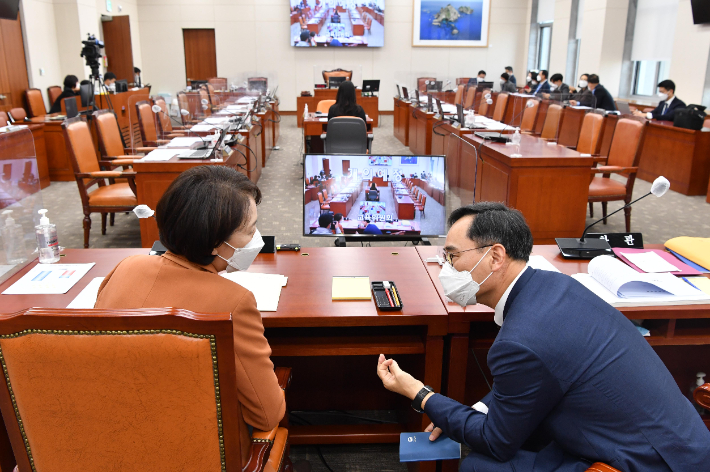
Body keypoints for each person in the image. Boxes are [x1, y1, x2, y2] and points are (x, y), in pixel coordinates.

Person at [377, 202, 710, 471]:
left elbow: (497, 441)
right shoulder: (556, 285)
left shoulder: (519, 342)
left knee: (479, 465)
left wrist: (419, 394)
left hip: (644, 461)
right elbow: (538, 375)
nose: (446, 268)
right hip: (681, 440)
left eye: (452, 256)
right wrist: (475, 408)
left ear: (494, 256)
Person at [94, 166, 285, 469]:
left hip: (110, 439)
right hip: (198, 452)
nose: (255, 239)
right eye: (250, 231)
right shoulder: (234, 301)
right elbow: (267, 413)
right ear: (214, 242)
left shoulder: (125, 267)